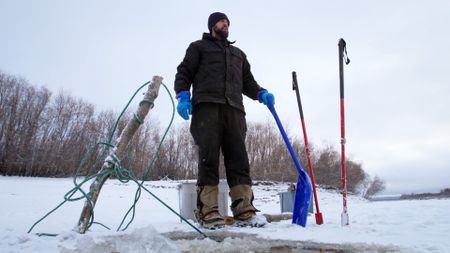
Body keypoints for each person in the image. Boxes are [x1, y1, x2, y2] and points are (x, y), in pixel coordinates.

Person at [174, 12, 275, 229]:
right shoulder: (198, 47)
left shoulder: (238, 54)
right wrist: (183, 95)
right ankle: (208, 211)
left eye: (228, 22)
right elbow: (184, 72)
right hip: (207, 107)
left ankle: (245, 210)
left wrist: (261, 93)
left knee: (239, 159)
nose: (225, 24)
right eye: (221, 21)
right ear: (212, 26)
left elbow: (248, 82)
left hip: (235, 110)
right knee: (208, 158)